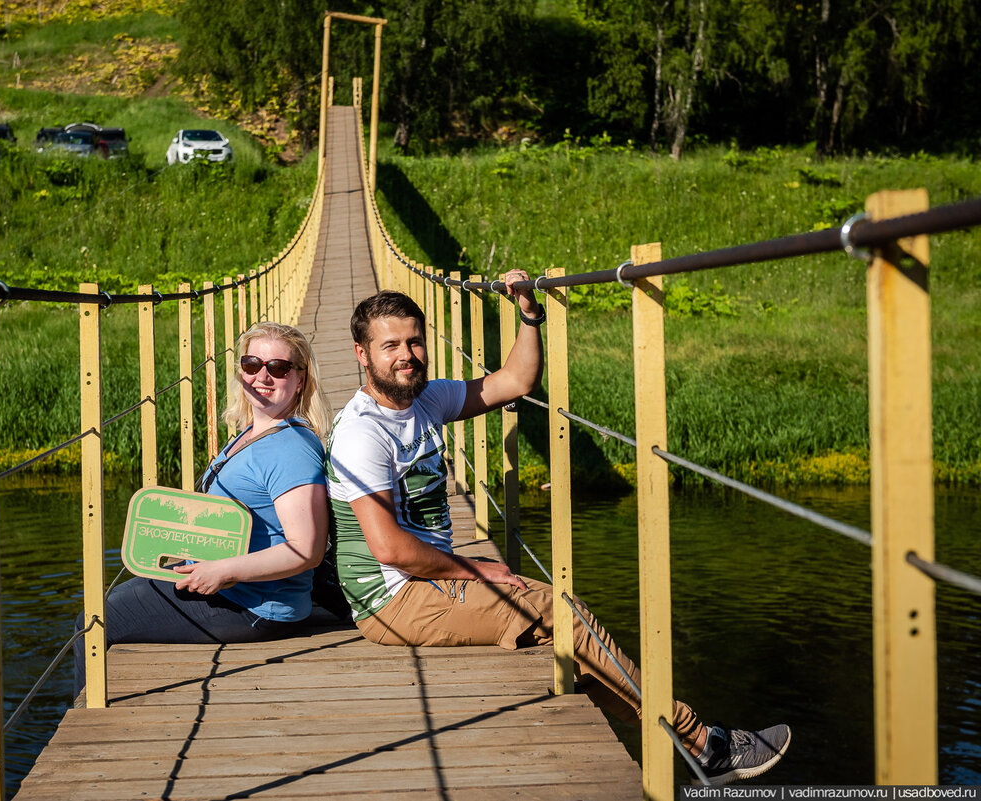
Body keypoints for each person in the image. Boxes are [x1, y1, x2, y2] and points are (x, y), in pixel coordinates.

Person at [324, 275, 791, 786]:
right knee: (557, 611)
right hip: (393, 601)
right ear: (362, 355)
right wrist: (479, 569)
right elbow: (390, 549)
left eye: (415, 341)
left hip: (426, 583)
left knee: (572, 644)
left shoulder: (426, 400)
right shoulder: (362, 432)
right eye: (390, 345)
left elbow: (516, 381)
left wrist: (529, 313)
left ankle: (687, 745)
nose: (407, 354)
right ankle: (701, 740)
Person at [73, 321, 332, 698]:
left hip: (255, 606)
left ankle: (89, 721)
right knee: (108, 606)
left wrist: (222, 569)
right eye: (251, 364)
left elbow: (306, 550)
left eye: (278, 368)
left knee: (94, 623)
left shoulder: (291, 449)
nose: (263, 376)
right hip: (231, 586)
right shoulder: (252, 431)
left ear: (300, 378)